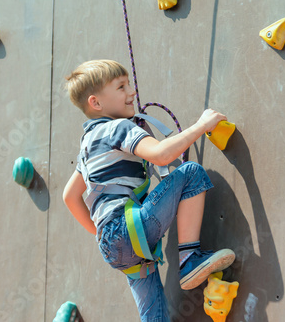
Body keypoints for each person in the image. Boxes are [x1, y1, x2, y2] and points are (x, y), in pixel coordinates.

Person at [62, 60, 235, 321]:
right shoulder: (118, 128)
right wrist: (201, 126)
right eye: (121, 87)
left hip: (112, 246)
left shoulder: (87, 147)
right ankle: (189, 259)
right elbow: (161, 155)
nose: (131, 92)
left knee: (154, 315)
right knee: (191, 174)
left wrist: (100, 231)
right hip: (129, 229)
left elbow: (70, 196)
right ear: (96, 103)